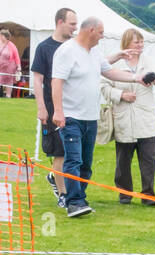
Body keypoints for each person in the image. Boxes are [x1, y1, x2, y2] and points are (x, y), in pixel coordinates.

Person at [51, 17, 147, 218]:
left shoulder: (94, 52)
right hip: (71, 117)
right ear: (91, 30)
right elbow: (56, 82)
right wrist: (58, 111)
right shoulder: (67, 51)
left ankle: (81, 199)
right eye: (101, 32)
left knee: (86, 164)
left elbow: (109, 72)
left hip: (90, 117)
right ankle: (74, 202)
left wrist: (135, 78)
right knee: (73, 160)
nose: (103, 36)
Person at [107, 27, 155, 206]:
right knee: (123, 161)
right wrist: (121, 95)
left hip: (146, 119)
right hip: (124, 118)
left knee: (148, 160)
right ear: (127, 43)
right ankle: (124, 194)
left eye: (142, 42)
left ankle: (148, 195)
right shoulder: (115, 63)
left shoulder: (149, 61)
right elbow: (104, 87)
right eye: (136, 42)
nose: (140, 45)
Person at [31, 8, 78, 209]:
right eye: (72, 24)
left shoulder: (75, 47)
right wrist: (42, 108)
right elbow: (38, 79)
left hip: (75, 108)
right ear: (60, 22)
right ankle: (63, 195)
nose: (76, 28)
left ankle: (55, 177)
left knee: (75, 154)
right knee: (60, 153)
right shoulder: (44, 47)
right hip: (53, 109)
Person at [0, 29, 20, 99]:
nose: (0, 36)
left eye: (1, 35)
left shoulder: (11, 45)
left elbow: (16, 57)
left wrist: (19, 67)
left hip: (9, 67)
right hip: (1, 67)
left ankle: (8, 96)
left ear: (5, 36)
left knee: (8, 82)